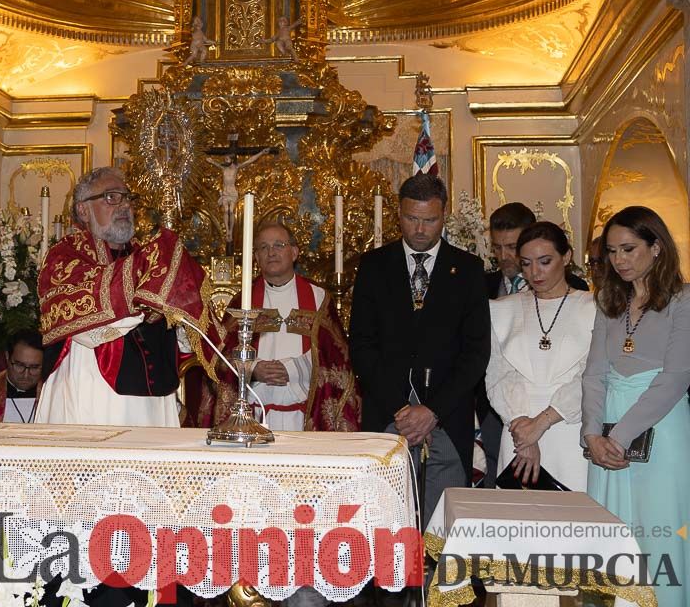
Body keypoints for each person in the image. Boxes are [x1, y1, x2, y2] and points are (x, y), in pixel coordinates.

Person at [349, 173, 491, 524]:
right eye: (412, 218)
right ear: (398, 214)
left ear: (444, 216)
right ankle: (392, 582)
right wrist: (401, 406)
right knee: (384, 523)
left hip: (446, 417)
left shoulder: (470, 270)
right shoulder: (373, 266)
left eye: (430, 220)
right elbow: (362, 345)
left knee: (441, 530)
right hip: (388, 414)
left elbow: (475, 352)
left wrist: (433, 410)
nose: (421, 229)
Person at [35, 167, 219, 428]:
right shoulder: (64, 257)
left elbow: (183, 337)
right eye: (111, 197)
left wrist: (179, 308)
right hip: (92, 389)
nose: (123, 205)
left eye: (127, 198)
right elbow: (83, 323)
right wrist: (149, 291)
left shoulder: (149, 262)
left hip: (154, 400)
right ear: (83, 210)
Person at [582, 206, 690, 606]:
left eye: (628, 249)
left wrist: (620, 436)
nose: (619, 260)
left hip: (662, 432)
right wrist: (593, 434)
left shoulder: (683, 300)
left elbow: (676, 378)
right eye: (611, 252)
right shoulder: (607, 302)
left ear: (656, 247)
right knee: (610, 541)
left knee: (660, 537)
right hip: (606, 438)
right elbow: (594, 374)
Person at [204, 221, 358, 431]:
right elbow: (220, 357)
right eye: (263, 247)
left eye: (279, 245)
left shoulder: (319, 298)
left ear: (294, 252)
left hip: (305, 415)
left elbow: (336, 357)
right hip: (254, 414)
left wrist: (293, 369)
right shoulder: (243, 302)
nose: (271, 252)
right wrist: (253, 368)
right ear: (256, 257)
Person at [478, 203, 588, 485]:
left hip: (569, 427)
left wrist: (541, 424)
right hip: (516, 429)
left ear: (566, 257)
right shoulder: (502, 309)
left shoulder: (594, 307)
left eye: (545, 261)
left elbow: (591, 376)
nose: (534, 272)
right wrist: (524, 432)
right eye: (526, 264)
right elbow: (498, 375)